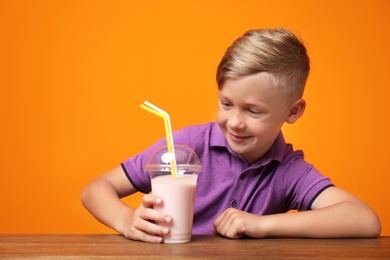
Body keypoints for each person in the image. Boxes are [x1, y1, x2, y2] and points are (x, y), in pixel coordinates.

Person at [82, 28, 381, 243]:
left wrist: (262, 225)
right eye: (226, 104)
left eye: (253, 111)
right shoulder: (186, 145)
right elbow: (96, 189)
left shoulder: (288, 170)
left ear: (293, 111)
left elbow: (365, 220)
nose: (234, 122)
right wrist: (125, 220)